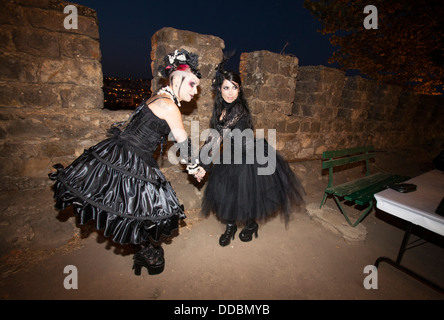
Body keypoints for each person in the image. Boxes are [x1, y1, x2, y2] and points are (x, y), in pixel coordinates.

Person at [49, 49, 201, 275]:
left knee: (133, 209)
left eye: (197, 86)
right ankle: (146, 254)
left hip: (120, 153)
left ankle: (144, 253)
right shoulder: (169, 106)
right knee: (148, 210)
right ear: (176, 80)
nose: (196, 91)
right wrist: (196, 167)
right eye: (192, 84)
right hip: (133, 160)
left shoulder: (158, 96)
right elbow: (183, 142)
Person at [191, 61, 305, 247]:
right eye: (226, 87)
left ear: (240, 89)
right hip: (230, 156)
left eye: (234, 88)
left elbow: (218, 136)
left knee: (245, 195)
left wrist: (203, 165)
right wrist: (202, 163)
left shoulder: (238, 109)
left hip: (248, 156)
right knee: (226, 193)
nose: (230, 92)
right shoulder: (221, 109)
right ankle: (231, 226)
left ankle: (250, 225)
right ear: (219, 89)